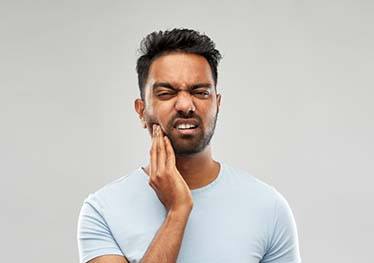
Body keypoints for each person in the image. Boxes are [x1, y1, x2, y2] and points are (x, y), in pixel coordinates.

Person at [77, 28, 302, 263]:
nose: (185, 105)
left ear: (218, 104)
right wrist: (178, 211)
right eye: (166, 93)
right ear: (141, 111)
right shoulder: (103, 210)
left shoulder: (268, 207)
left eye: (200, 92)